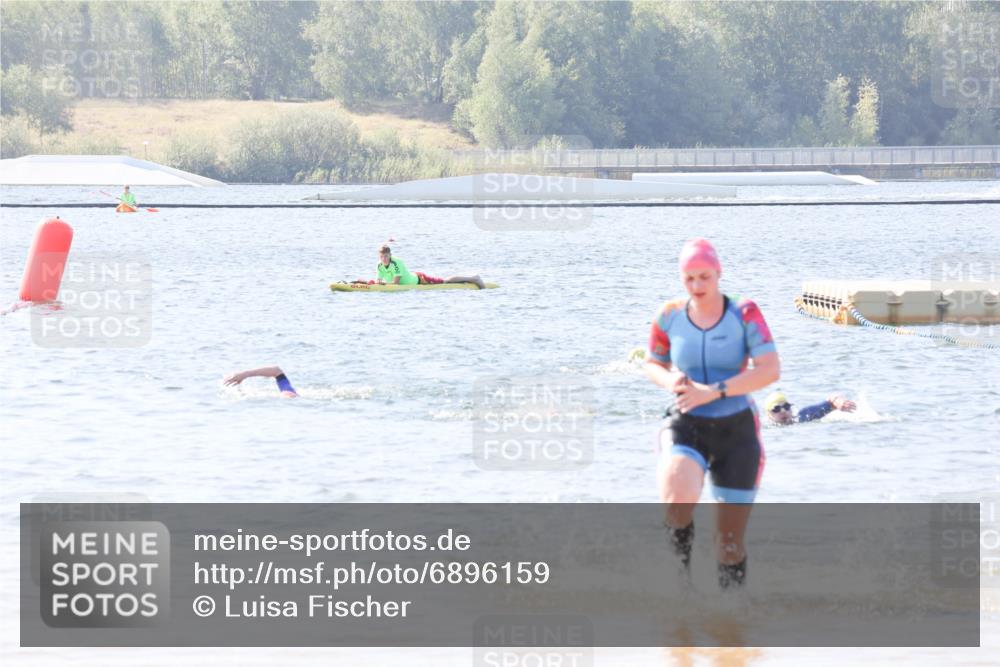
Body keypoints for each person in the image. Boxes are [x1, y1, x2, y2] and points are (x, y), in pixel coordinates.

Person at [644, 238, 780, 589]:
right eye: (689, 279)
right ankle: (680, 593)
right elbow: (652, 363)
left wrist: (714, 391)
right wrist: (670, 378)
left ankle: (731, 624)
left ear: (718, 274)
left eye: (704, 277)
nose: (697, 286)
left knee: (729, 545)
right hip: (685, 421)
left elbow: (769, 370)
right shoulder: (669, 315)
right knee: (676, 505)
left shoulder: (744, 313)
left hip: (736, 430)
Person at [371, 245, 486, 289]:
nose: (384, 259)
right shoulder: (379, 265)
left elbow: (395, 283)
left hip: (420, 280)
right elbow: (379, 280)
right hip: (409, 281)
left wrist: (382, 284)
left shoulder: (396, 263)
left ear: (390, 255)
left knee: (445, 282)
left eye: (386, 256)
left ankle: (474, 278)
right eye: (382, 257)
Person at [764, 391, 856, 425]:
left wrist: (838, 401)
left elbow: (831, 401)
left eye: (786, 406)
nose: (783, 411)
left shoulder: (803, 417)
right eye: (776, 409)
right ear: (768, 415)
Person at [224, 366, 298, 398]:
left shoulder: (290, 396)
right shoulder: (289, 394)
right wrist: (244, 375)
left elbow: (277, 371)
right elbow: (276, 371)